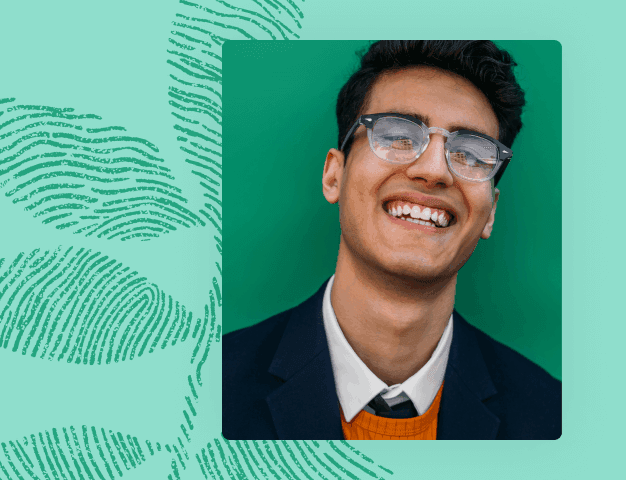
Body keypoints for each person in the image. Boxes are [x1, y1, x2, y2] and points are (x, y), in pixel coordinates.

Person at [222, 40, 561, 440]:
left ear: (490, 213)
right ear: (335, 175)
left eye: (470, 152)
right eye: (399, 134)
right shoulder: (201, 389)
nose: (434, 170)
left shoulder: (554, 420)